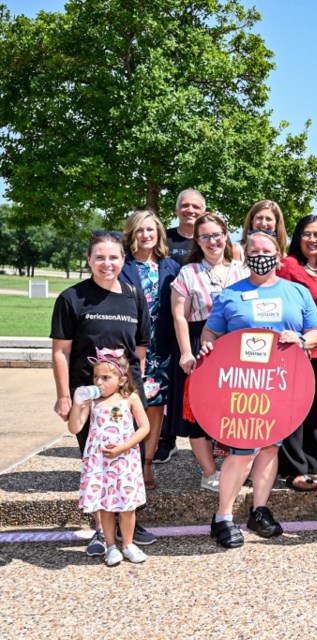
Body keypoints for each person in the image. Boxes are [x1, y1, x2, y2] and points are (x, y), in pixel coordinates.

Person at [201, 230, 317, 549]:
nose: (260, 255)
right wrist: (205, 349)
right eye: (253, 250)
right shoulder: (231, 294)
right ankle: (223, 518)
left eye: (266, 250)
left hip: (280, 386)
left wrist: (300, 340)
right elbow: (210, 333)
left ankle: (259, 509)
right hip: (242, 386)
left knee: (270, 447)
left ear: (279, 253)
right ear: (244, 254)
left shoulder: (297, 292)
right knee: (243, 450)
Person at [51, 230, 156, 555]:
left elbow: (140, 348)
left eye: (113, 257)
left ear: (123, 260)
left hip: (126, 396)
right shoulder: (72, 298)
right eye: (100, 257)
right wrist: (65, 395)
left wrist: (135, 385)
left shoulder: (133, 295)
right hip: (89, 398)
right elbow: (61, 352)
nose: (106, 263)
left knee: (129, 459)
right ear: (89, 260)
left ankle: (129, 522)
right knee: (95, 462)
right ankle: (101, 529)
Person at [169, 213, 248, 492]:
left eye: (216, 235)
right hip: (200, 341)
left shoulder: (243, 271)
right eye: (205, 236)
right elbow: (179, 315)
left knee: (235, 409)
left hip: (237, 345)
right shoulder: (188, 272)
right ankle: (209, 472)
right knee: (199, 412)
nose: (212, 241)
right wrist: (186, 353)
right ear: (197, 240)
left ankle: (236, 466)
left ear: (225, 235)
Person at [68, 350, 150, 565]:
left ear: (122, 379)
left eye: (106, 377)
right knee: (105, 505)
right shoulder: (92, 401)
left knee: (127, 506)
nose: (99, 381)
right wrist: (77, 405)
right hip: (100, 462)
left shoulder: (129, 398)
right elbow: (75, 427)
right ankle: (111, 546)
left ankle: (129, 544)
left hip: (124, 460)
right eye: (96, 377)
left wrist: (123, 447)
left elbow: (144, 427)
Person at [119, 209, 180, 490]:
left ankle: (146, 465)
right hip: (128, 349)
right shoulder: (122, 266)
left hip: (162, 351)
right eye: (140, 230)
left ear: (159, 235)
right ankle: (123, 464)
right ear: (132, 234)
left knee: (155, 408)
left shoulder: (171, 267)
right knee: (126, 405)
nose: (146, 235)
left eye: (151, 230)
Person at [276, 214, 317, 491]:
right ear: (298, 237)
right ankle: (293, 468)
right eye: (308, 234)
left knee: (314, 408)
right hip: (292, 348)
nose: (313, 239)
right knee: (293, 410)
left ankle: (313, 462)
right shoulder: (288, 266)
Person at [155, 188, 206, 463]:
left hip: (199, 324)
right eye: (185, 206)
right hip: (166, 319)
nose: (190, 210)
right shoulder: (166, 240)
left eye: (196, 206)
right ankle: (167, 437)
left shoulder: (207, 240)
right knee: (168, 380)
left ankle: (209, 437)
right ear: (176, 210)